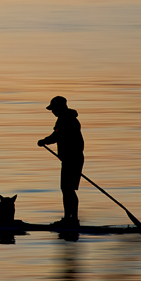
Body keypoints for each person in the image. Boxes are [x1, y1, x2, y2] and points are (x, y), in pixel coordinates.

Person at [37, 96, 84, 226]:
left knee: (68, 189)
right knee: (66, 189)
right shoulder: (63, 119)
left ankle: (72, 219)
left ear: (60, 108)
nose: (52, 112)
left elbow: (58, 136)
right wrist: (46, 140)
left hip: (73, 159)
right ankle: (69, 218)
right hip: (69, 159)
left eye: (54, 109)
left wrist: (45, 141)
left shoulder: (67, 120)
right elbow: (57, 135)